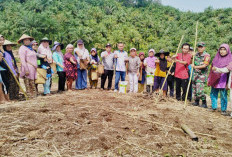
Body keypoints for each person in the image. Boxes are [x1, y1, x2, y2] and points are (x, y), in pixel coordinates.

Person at [208, 44, 232, 115]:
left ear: (227, 50)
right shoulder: (216, 58)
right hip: (215, 78)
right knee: (213, 93)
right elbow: (211, 69)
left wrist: (228, 83)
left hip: (224, 80)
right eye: (221, 49)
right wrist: (209, 79)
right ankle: (214, 107)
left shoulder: (230, 59)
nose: (222, 51)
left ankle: (223, 109)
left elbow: (227, 70)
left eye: (224, 49)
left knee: (223, 95)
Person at [191, 42, 210, 108]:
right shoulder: (196, 54)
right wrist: (192, 56)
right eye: (199, 47)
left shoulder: (206, 56)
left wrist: (195, 67)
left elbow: (204, 65)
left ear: (204, 48)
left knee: (200, 91)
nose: (200, 48)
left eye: (201, 47)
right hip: (195, 75)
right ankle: (196, 101)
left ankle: (204, 102)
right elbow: (191, 61)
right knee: (195, 90)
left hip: (201, 76)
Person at [18, 34, 38, 99]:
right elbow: (23, 60)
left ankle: (33, 95)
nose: (27, 41)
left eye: (28, 40)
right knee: (28, 82)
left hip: (33, 68)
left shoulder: (30, 48)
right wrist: (26, 69)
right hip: (28, 68)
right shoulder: (22, 48)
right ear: (23, 41)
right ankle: (29, 96)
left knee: (32, 82)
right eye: (25, 40)